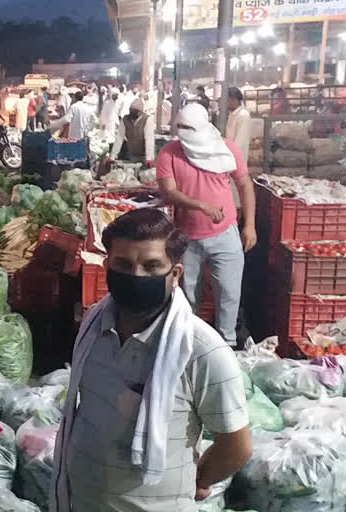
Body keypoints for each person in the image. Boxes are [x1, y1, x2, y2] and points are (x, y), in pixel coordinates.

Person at [51, 207, 251, 512]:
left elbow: (236, 447)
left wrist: (191, 481)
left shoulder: (201, 350)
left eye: (152, 266)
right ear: (107, 266)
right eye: (124, 264)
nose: (137, 276)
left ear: (175, 275)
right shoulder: (93, 325)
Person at [156, 103, 257, 346]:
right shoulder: (169, 153)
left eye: (188, 127)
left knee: (229, 294)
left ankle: (227, 345)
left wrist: (250, 224)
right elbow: (168, 192)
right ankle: (191, 345)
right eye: (179, 126)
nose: (183, 131)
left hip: (225, 234)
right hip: (186, 238)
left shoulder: (226, 149)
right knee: (188, 297)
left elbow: (245, 185)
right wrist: (200, 206)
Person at [109, 97, 155, 166]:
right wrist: (113, 156)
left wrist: (149, 158)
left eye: (134, 111)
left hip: (144, 157)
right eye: (131, 110)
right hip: (132, 156)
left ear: (139, 112)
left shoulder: (147, 120)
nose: (131, 113)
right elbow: (119, 138)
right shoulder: (125, 120)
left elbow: (149, 139)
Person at [225, 87, 252, 163]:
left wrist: (228, 155)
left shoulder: (243, 116)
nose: (225, 103)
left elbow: (240, 142)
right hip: (230, 157)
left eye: (227, 100)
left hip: (236, 159)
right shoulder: (233, 114)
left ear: (234, 100)